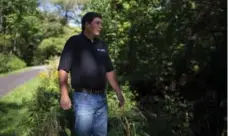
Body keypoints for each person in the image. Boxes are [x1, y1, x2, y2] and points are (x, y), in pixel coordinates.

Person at [57, 12, 125, 136]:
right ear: (87, 24)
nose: (101, 26)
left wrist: (119, 92)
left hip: (101, 99)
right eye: (97, 23)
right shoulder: (74, 42)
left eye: (101, 23)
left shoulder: (101, 45)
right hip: (83, 98)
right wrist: (64, 94)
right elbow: (63, 69)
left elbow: (109, 71)